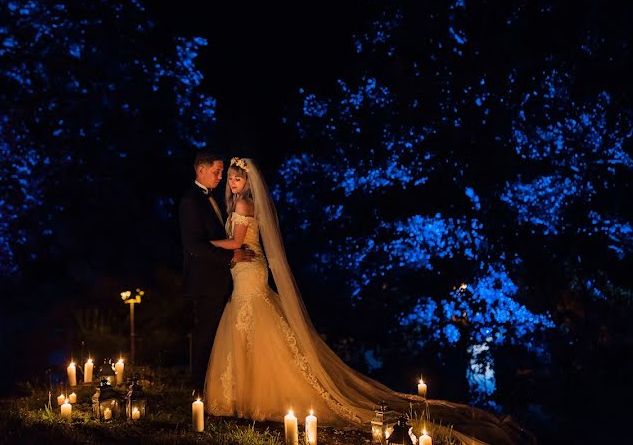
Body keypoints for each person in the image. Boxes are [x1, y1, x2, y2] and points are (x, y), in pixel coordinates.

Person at [203, 157, 534, 445]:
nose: (233, 183)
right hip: (242, 272)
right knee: (249, 325)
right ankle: (243, 394)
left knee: (254, 323)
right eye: (230, 178)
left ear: (248, 182)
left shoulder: (245, 205)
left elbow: (237, 243)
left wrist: (210, 246)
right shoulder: (237, 205)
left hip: (250, 274)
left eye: (237, 178)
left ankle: (254, 394)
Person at [179, 150, 255, 395]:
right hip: (204, 280)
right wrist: (231, 256)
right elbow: (194, 246)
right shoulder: (191, 201)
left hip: (220, 278)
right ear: (201, 169)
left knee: (218, 332)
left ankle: (215, 384)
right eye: (217, 171)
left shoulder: (216, 199)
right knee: (205, 332)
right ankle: (198, 387)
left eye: (222, 172)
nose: (221, 176)